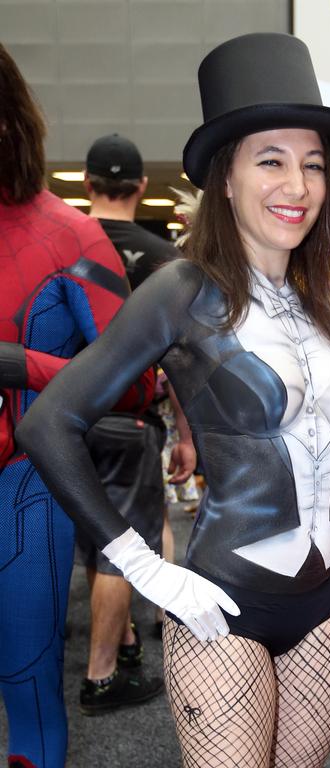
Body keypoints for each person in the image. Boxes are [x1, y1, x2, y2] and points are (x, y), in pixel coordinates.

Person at [17, 32, 330, 767]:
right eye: (271, 161)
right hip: (224, 604)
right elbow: (50, 420)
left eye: (313, 165)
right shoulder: (182, 290)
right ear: (225, 177)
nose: (299, 185)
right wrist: (142, 564)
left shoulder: (318, 303)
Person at [0, 44, 154, 767]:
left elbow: (133, 380)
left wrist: (16, 365)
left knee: (29, 688)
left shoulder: (69, 235)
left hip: (22, 490)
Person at [76, 133, 192, 714]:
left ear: (87, 182)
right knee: (122, 548)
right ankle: (101, 677)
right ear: (141, 186)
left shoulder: (63, 245)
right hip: (129, 417)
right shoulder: (163, 257)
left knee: (95, 540)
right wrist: (189, 434)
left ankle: (121, 646)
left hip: (62, 418)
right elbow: (182, 354)